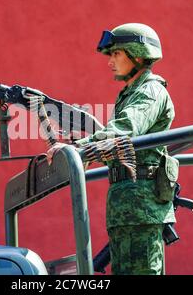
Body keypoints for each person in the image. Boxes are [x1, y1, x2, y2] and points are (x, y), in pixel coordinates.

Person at [47, 23, 176, 275]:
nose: (110, 61)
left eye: (116, 53)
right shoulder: (130, 93)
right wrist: (78, 147)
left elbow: (125, 129)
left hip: (142, 209)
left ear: (137, 54)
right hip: (126, 207)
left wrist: (80, 149)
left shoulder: (151, 91)